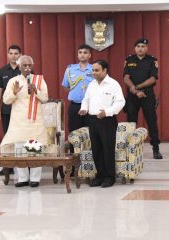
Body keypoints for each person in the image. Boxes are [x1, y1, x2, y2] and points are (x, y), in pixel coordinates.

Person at [1, 55, 49, 188]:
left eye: (29, 66)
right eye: (24, 66)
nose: (27, 68)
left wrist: (36, 90)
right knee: (20, 150)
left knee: (35, 149)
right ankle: (22, 178)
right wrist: (14, 93)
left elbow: (45, 98)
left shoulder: (39, 80)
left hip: (35, 120)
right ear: (19, 66)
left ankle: (35, 178)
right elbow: (6, 100)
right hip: (18, 121)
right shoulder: (13, 81)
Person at [78, 60, 125, 188]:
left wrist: (107, 112)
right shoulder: (92, 84)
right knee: (96, 149)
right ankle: (100, 176)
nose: (94, 72)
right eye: (92, 70)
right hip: (92, 120)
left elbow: (120, 102)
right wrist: (84, 108)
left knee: (107, 149)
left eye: (97, 70)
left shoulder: (113, 84)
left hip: (107, 120)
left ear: (105, 70)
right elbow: (86, 99)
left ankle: (110, 177)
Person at [123, 38, 163, 159]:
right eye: (138, 46)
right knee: (131, 123)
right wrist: (135, 91)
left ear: (147, 48)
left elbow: (153, 78)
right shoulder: (129, 60)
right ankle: (131, 150)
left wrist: (138, 87)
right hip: (132, 96)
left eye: (143, 46)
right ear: (135, 48)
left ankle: (156, 149)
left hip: (147, 95)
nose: (140, 48)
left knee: (152, 122)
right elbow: (126, 78)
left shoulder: (152, 60)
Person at [62, 44, 94, 176]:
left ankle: (89, 167)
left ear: (89, 55)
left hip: (90, 107)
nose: (82, 54)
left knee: (90, 136)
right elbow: (66, 86)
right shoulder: (70, 70)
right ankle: (73, 167)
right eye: (80, 52)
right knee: (73, 137)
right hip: (75, 106)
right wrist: (75, 93)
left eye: (85, 52)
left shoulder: (94, 69)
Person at [0, 45, 22, 176]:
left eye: (16, 53)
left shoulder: (25, 69)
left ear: (20, 55)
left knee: (22, 137)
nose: (13, 56)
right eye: (11, 53)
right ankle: (8, 166)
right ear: (7, 54)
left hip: (21, 110)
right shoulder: (2, 71)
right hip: (6, 110)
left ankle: (24, 164)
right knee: (7, 137)